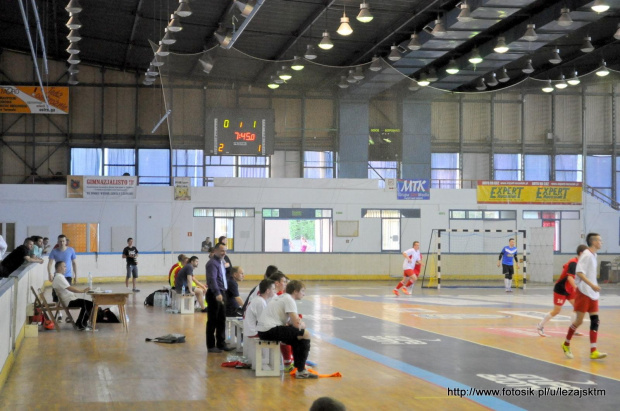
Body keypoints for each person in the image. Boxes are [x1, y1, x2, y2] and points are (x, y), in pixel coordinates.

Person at [257, 280, 318, 379]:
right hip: (269, 330)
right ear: (295, 291)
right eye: (302, 291)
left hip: (264, 330)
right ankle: (301, 370)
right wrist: (302, 324)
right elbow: (297, 324)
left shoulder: (283, 297)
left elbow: (290, 323)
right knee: (305, 334)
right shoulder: (289, 299)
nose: (304, 294)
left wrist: (297, 323)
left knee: (297, 337)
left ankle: (300, 367)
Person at [562, 233, 607, 360]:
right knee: (579, 321)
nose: (601, 242)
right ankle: (566, 344)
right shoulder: (586, 255)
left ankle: (593, 350)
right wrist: (592, 285)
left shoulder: (594, 255)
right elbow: (579, 273)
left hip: (593, 293)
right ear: (593, 242)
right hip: (584, 292)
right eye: (600, 240)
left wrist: (594, 287)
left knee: (595, 320)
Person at [537, 245, 588, 337]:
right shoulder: (574, 263)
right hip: (561, 288)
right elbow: (569, 277)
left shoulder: (581, 263)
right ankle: (540, 326)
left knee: (577, 307)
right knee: (556, 311)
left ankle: (573, 328)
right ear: (581, 253)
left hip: (570, 288)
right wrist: (577, 288)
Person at [205, 243, 234, 353]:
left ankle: (221, 344)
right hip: (214, 294)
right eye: (222, 251)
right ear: (216, 251)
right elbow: (212, 279)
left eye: (225, 251)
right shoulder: (212, 263)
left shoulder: (221, 262)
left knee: (221, 320)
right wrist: (217, 293)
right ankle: (211, 345)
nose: (224, 253)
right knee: (212, 320)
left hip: (222, 292)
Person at [51, 261, 93, 330]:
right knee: (89, 304)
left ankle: (80, 323)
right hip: (68, 301)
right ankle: (81, 324)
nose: (65, 268)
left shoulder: (59, 277)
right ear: (58, 268)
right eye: (64, 266)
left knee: (88, 303)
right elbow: (70, 288)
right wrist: (82, 291)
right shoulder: (59, 277)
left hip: (69, 299)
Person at [243, 279, 276, 364]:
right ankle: (273, 362)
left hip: (250, 329)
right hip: (253, 331)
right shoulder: (260, 302)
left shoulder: (258, 299)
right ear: (268, 291)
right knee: (278, 335)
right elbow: (263, 322)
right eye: (273, 289)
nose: (275, 291)